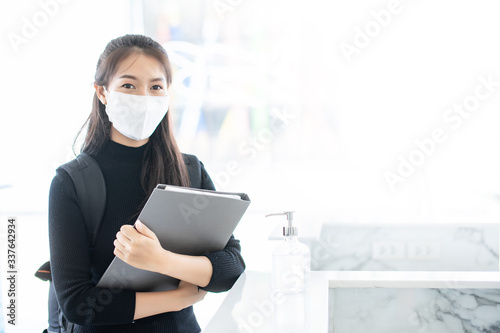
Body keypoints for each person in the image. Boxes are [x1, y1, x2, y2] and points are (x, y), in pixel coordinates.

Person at [48, 34, 245, 332]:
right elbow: (78, 304)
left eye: (156, 87)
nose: (144, 97)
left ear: (168, 94)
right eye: (128, 85)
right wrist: (177, 299)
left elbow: (231, 267)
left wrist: (162, 260)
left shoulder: (190, 170)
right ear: (102, 93)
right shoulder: (71, 182)